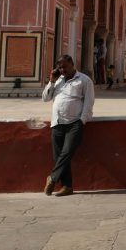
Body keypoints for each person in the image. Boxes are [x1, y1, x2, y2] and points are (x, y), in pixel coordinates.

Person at [41, 54, 94, 197]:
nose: (63, 70)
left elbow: (89, 102)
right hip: (57, 123)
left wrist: (82, 120)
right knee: (58, 156)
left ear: (72, 64)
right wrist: (51, 81)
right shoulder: (58, 81)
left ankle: (52, 178)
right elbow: (45, 98)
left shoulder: (84, 80)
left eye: (65, 66)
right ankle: (67, 186)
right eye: (60, 67)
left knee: (66, 153)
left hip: (74, 123)